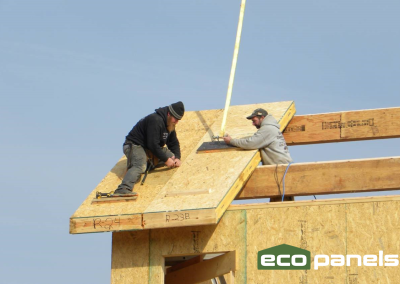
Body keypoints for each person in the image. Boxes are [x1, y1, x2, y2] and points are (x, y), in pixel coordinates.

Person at [113, 101, 185, 196]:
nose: (176, 122)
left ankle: (145, 163)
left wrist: (177, 158)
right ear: (169, 114)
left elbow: (174, 143)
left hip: (148, 149)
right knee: (140, 165)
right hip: (134, 145)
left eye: (178, 120)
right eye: (175, 119)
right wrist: (166, 160)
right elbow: (152, 144)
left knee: (171, 157)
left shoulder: (170, 124)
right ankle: (123, 188)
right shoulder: (155, 120)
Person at [223, 108, 293, 165]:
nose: (253, 124)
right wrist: (234, 139)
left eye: (254, 121)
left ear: (262, 117)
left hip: (280, 167)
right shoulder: (271, 128)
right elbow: (253, 138)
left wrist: (231, 141)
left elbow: (251, 143)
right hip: (282, 165)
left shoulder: (267, 129)